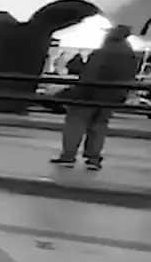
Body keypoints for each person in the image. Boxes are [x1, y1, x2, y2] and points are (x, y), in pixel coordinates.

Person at [53, 24, 139, 172]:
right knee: (99, 126)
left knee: (75, 123)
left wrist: (79, 89)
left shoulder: (103, 52)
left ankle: (68, 156)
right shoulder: (129, 54)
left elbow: (91, 73)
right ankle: (93, 158)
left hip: (90, 94)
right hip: (112, 96)